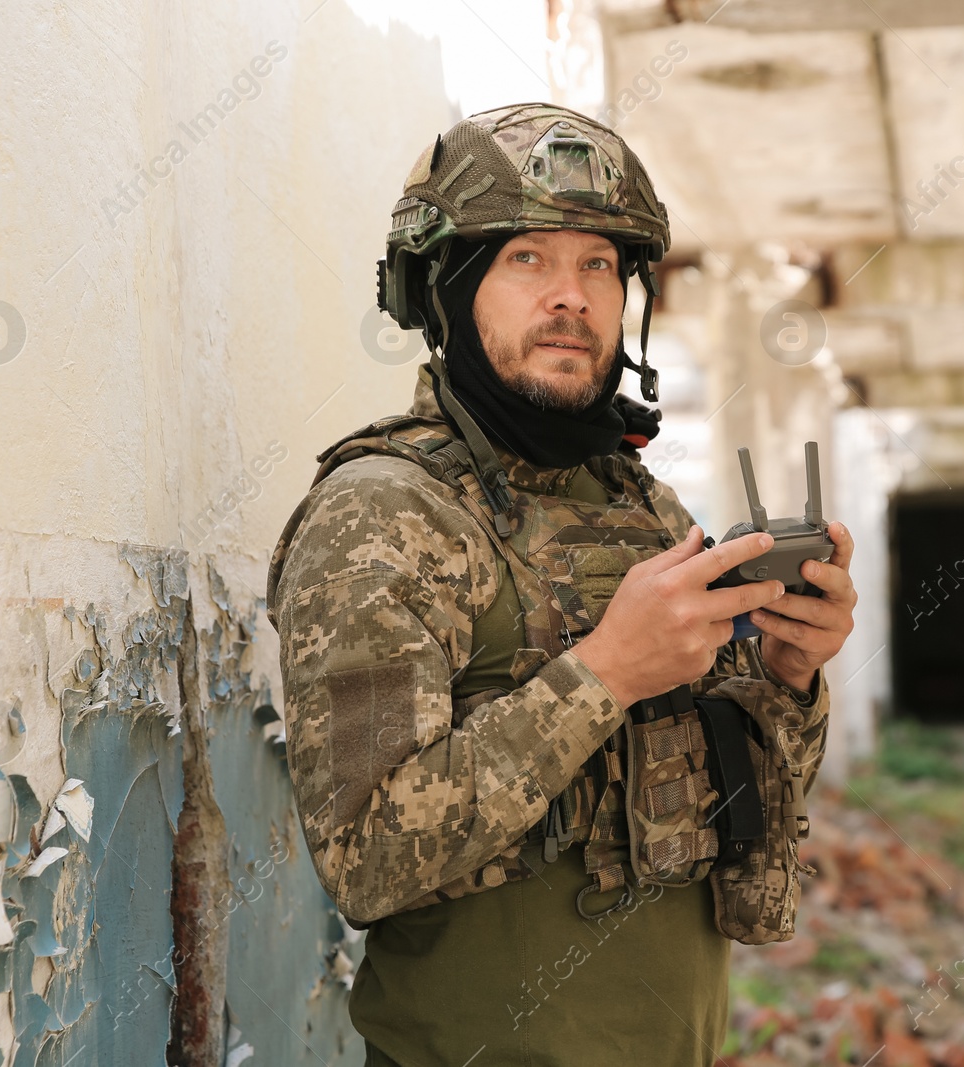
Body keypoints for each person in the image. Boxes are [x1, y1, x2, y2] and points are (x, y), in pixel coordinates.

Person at [267, 103, 856, 1067]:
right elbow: (367, 857)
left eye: (598, 265)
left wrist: (790, 674)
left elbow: (735, 820)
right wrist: (606, 674)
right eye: (528, 259)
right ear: (448, 291)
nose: (572, 296)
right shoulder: (385, 514)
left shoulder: (646, 509)